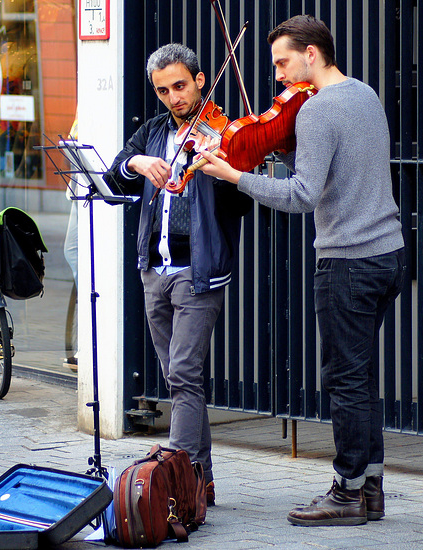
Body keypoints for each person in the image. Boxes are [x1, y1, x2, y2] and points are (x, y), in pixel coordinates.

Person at [199, 15, 405, 526]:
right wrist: (284, 151)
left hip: (348, 261)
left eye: (282, 62)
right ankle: (370, 489)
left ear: (311, 53)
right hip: (391, 254)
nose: (277, 75)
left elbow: (302, 196)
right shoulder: (365, 94)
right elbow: (340, 170)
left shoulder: (315, 111)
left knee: (346, 380)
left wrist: (235, 174)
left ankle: (346, 492)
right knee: (361, 376)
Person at [105, 43, 252, 505]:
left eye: (180, 86)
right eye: (163, 90)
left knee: (185, 371)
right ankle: (201, 481)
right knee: (177, 378)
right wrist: (137, 162)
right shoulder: (151, 132)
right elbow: (114, 175)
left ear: (201, 80)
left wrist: (225, 167)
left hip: (198, 270)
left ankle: (176, 480)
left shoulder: (223, 132)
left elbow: (244, 201)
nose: (173, 98)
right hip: (155, 268)